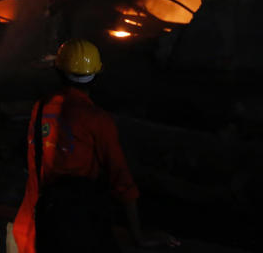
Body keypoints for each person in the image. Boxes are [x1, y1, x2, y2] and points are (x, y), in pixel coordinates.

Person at [12, 39, 179, 252]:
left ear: (58, 71)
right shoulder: (97, 119)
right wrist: (139, 237)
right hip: (71, 232)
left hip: (32, 230)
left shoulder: (40, 107)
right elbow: (122, 181)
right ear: (95, 77)